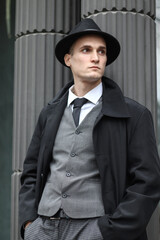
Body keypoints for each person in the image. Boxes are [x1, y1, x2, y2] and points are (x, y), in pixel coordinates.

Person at [19, 18, 160, 240]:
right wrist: (29, 225)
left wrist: (109, 231)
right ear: (68, 59)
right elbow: (30, 172)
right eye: (86, 50)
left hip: (96, 230)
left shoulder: (135, 115)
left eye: (101, 52)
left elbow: (147, 182)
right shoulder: (49, 113)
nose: (96, 58)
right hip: (43, 229)